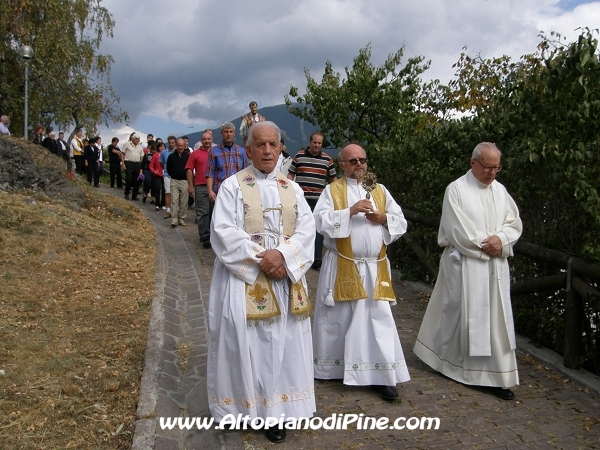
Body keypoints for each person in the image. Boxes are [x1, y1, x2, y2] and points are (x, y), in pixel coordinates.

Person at [207, 121, 316, 444]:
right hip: (244, 281)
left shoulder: (292, 188)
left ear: (281, 148)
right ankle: (237, 409)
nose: (268, 150)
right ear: (249, 149)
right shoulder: (232, 186)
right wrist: (263, 259)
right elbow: (223, 232)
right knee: (241, 344)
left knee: (281, 347)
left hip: (284, 279)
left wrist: (282, 255)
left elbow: (307, 230)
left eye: (273, 144)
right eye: (261, 145)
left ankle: (276, 413)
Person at [414, 142, 523, 401]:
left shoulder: (500, 191)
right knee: (457, 315)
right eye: (487, 167)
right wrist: (490, 244)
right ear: (473, 163)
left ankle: (494, 376)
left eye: (497, 167)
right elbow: (457, 230)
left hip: (494, 268)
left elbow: (514, 223)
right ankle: (448, 363)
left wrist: (502, 240)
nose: (492, 173)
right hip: (464, 264)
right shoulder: (456, 190)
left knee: (495, 320)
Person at [312, 143, 410, 401]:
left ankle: (381, 375)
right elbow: (319, 221)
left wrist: (384, 218)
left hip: (375, 268)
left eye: (362, 160)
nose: (359, 164)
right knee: (339, 320)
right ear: (341, 165)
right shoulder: (332, 190)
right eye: (352, 160)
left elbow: (401, 221)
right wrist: (349, 212)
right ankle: (334, 368)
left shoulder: (379, 190)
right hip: (343, 264)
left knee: (377, 322)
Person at [287, 132, 337, 270]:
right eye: (315, 142)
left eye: (319, 143)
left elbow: (333, 179)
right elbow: (290, 174)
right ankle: (298, 256)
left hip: (319, 199)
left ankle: (317, 259)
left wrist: (335, 196)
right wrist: (287, 189)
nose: (317, 145)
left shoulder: (327, 159)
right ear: (310, 142)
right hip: (301, 198)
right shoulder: (299, 156)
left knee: (318, 229)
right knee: (299, 226)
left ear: (322, 144)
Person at [205, 122, 248, 218]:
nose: (228, 134)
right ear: (222, 133)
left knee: (236, 218)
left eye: (231, 132)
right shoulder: (214, 151)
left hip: (237, 191)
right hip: (219, 191)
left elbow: (246, 173)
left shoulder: (241, 151)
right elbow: (210, 173)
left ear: (234, 133)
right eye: (226, 132)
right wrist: (210, 191)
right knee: (218, 218)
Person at [186, 131, 212, 247]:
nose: (207, 141)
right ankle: (205, 237)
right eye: (204, 139)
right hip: (200, 186)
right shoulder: (195, 154)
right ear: (201, 140)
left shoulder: (216, 152)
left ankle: (214, 236)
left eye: (208, 139)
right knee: (202, 212)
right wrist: (190, 185)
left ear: (212, 140)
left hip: (215, 186)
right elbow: (189, 169)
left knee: (214, 212)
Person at [166, 138, 190, 227]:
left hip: (184, 180)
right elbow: (168, 168)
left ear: (184, 146)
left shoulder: (188, 156)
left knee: (184, 200)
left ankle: (181, 218)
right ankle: (174, 219)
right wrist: (173, 175)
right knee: (174, 200)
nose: (180, 147)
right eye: (178, 145)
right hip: (174, 180)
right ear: (176, 145)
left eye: (182, 146)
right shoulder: (171, 156)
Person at [122, 133, 144, 200]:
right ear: (132, 139)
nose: (137, 140)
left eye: (138, 139)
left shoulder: (140, 146)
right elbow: (122, 153)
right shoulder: (127, 144)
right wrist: (123, 163)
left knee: (136, 180)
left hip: (137, 164)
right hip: (129, 163)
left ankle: (134, 195)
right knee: (129, 178)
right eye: (136, 139)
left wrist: (140, 163)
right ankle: (126, 193)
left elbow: (142, 155)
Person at [160, 135, 177, 218]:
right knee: (167, 192)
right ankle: (168, 210)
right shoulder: (164, 152)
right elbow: (161, 163)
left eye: (172, 143)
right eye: (169, 143)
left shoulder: (178, 151)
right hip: (167, 174)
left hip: (176, 175)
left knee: (176, 194)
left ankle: (175, 210)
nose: (171, 144)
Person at [150, 141, 165, 210]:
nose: (162, 148)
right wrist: (154, 171)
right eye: (160, 146)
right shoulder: (155, 155)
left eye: (163, 146)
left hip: (165, 174)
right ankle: (157, 204)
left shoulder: (167, 155)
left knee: (165, 190)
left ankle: (163, 204)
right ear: (158, 148)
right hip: (157, 174)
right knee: (157, 189)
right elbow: (151, 166)